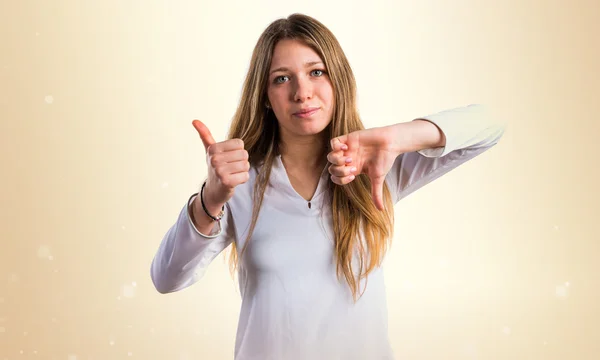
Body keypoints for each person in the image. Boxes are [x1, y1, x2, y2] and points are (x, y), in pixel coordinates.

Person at [150, 13, 505, 360]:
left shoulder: (376, 165)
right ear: (265, 96)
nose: (302, 93)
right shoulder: (239, 182)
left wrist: (398, 137)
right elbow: (166, 277)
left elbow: (491, 124)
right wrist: (209, 200)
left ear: (338, 81)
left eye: (316, 72)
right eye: (281, 79)